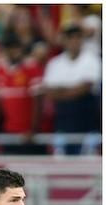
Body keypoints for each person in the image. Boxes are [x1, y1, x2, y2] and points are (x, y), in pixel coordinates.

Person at [42, 24, 102, 155]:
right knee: (61, 163)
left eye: (78, 37)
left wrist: (61, 90)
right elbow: (49, 93)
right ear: (64, 40)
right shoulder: (55, 63)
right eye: (70, 37)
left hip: (87, 123)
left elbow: (85, 88)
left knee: (88, 164)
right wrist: (74, 89)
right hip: (62, 123)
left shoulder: (92, 60)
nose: (74, 41)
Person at [0, 33, 43, 155]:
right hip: (8, 132)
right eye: (10, 48)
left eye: (17, 47)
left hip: (28, 135)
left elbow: (38, 102)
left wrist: (33, 130)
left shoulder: (32, 66)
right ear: (5, 50)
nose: (14, 51)